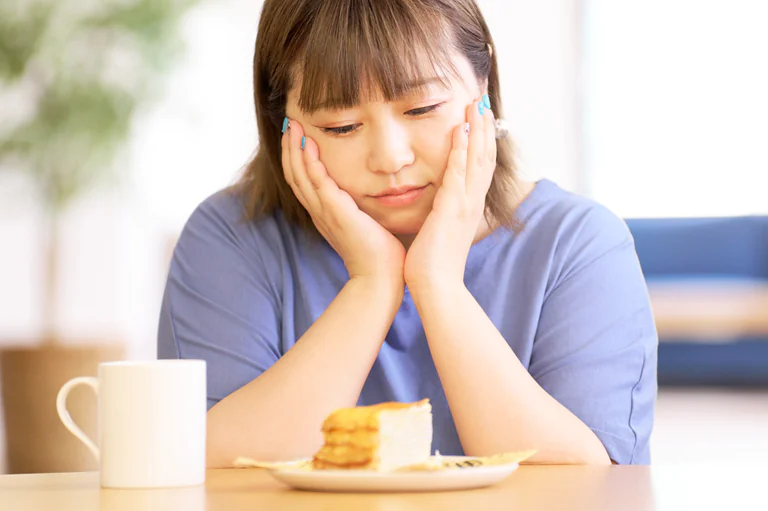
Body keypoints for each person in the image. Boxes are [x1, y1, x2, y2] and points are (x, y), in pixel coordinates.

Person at [157, 0, 657, 468]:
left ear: (482, 89)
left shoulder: (580, 246)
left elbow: (586, 488)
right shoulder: (229, 239)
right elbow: (216, 476)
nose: (390, 158)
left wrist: (438, 283)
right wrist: (372, 283)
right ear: (284, 124)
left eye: (421, 110)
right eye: (342, 126)